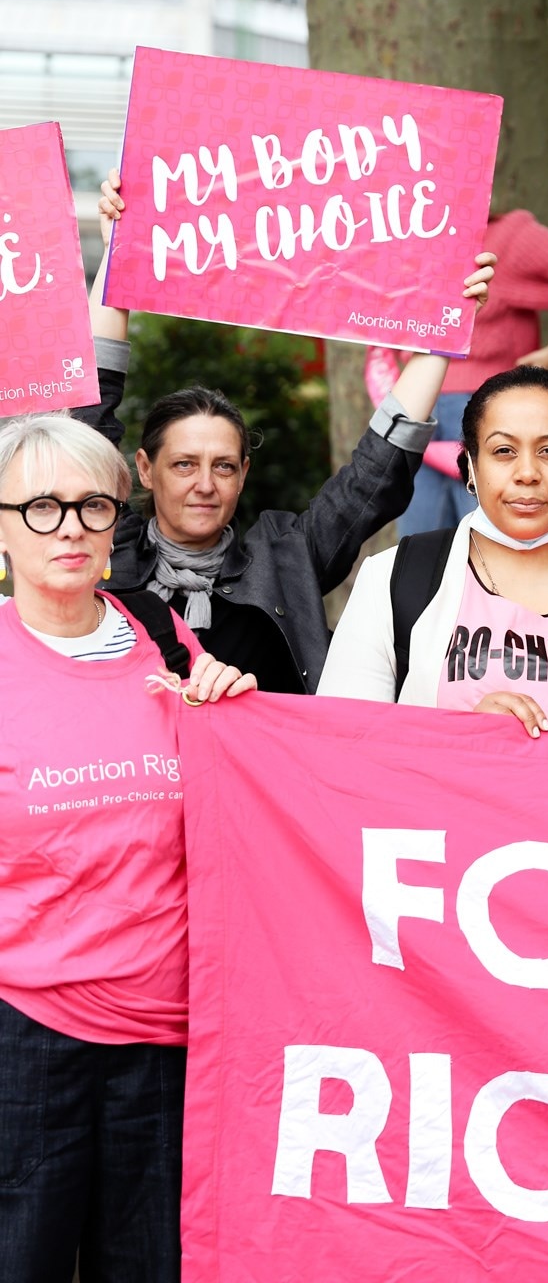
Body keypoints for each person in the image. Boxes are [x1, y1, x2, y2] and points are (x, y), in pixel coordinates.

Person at [0, 413, 254, 1283]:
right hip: (25, 1038)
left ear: (118, 519)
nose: (67, 527)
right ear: (1, 525)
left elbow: (254, 797)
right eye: (38, 506)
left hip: (170, 1040)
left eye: (90, 505)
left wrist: (240, 714)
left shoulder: (166, 639)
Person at [89, 172, 494, 692]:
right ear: (144, 469)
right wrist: (119, 256)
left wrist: (444, 324)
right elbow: (89, 418)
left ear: (244, 474)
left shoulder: (286, 560)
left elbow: (374, 474)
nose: (205, 484)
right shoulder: (103, 546)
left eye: (224, 466)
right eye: (184, 464)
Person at [318, 366, 548, 728]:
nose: (527, 472)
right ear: (472, 465)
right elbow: (344, 745)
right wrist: (464, 737)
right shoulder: (392, 579)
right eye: (504, 450)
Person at [391, 206, 548, 534]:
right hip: (416, 405)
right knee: (418, 545)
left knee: (496, 538)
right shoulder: (405, 233)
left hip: (487, 406)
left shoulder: (506, 235)